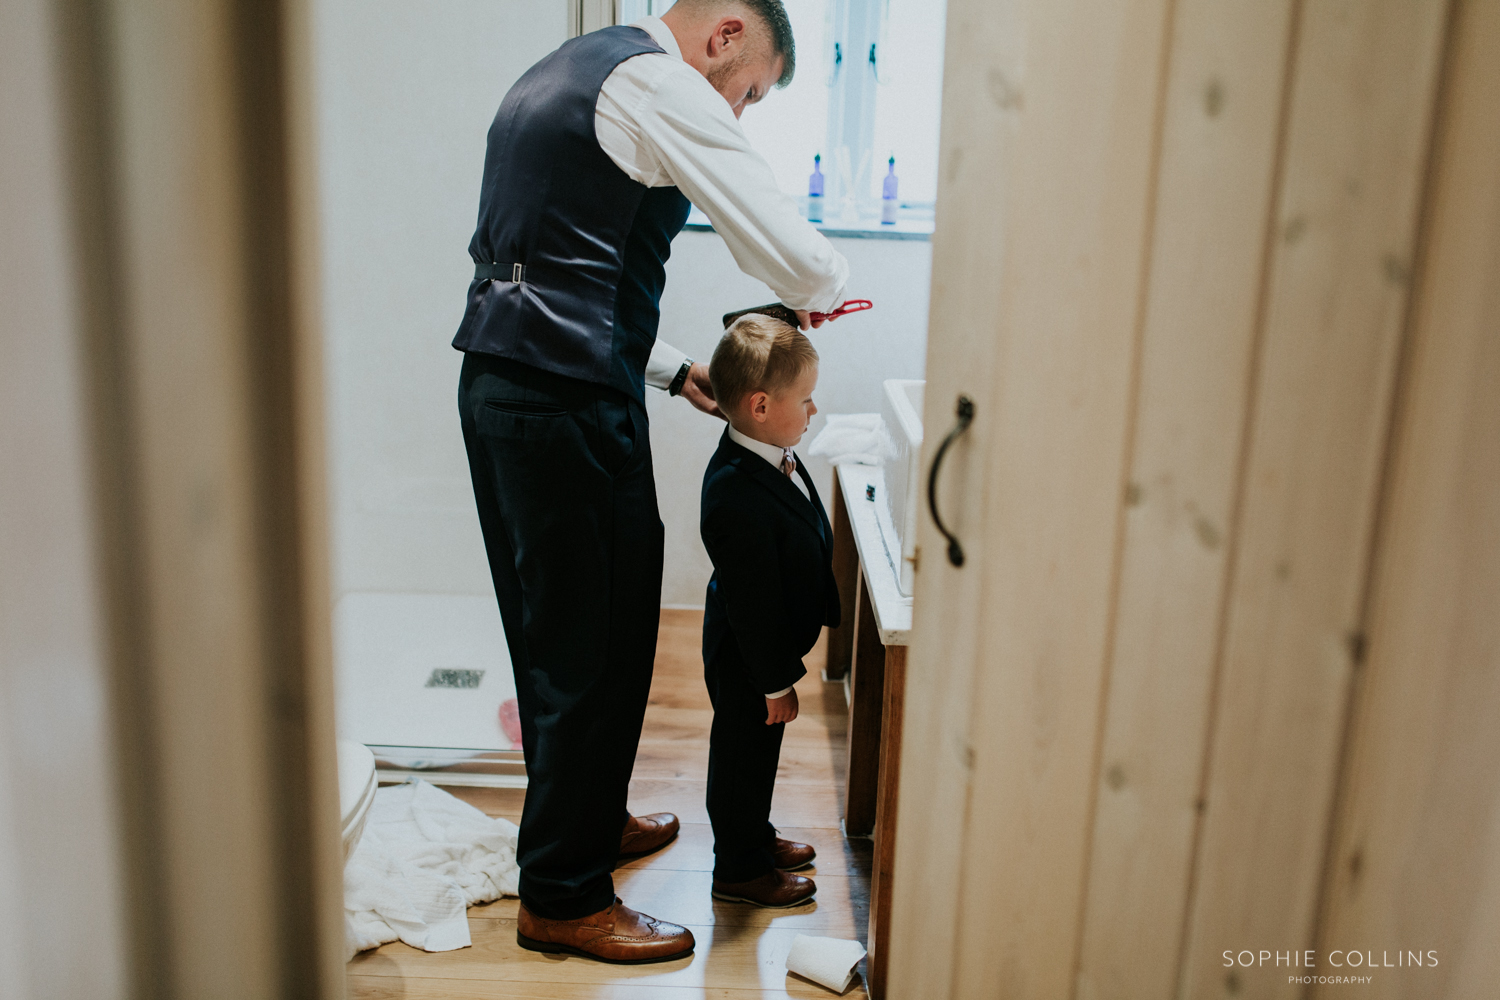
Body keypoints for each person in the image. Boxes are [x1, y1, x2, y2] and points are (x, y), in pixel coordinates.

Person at [453, 0, 849, 964]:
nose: (740, 113)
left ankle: (583, 822)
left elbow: (552, 268)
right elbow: (786, 249)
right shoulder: (662, 80)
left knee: (564, 631)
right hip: (567, 410)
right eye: (749, 89)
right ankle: (563, 894)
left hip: (509, 389)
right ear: (723, 36)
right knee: (593, 644)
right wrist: (824, 291)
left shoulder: (571, 68)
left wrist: (674, 369)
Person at [698, 315, 840, 907]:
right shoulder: (734, 491)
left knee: (758, 758)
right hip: (748, 656)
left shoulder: (769, 447)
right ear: (759, 405)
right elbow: (753, 604)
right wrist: (775, 681)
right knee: (741, 762)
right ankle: (737, 869)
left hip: (762, 648)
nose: (813, 410)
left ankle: (752, 836)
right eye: (804, 400)